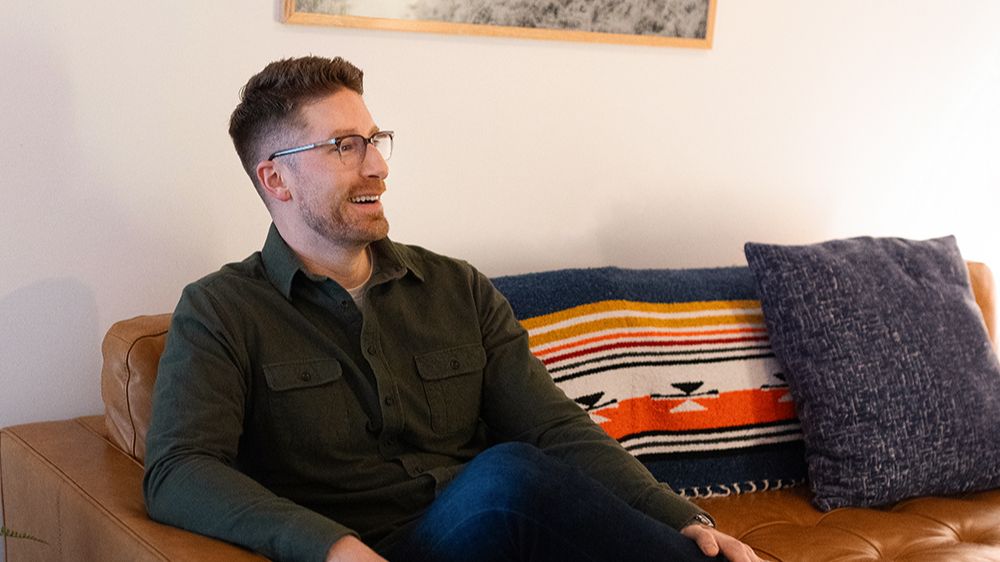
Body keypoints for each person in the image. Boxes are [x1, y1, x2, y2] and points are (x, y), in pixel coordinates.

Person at [143, 56, 762, 562]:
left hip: (494, 539)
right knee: (508, 477)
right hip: (386, 546)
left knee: (521, 478)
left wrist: (680, 519)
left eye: (376, 141)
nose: (378, 167)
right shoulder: (220, 310)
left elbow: (556, 427)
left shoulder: (455, 287)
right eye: (345, 146)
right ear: (277, 180)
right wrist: (331, 548)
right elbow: (179, 470)